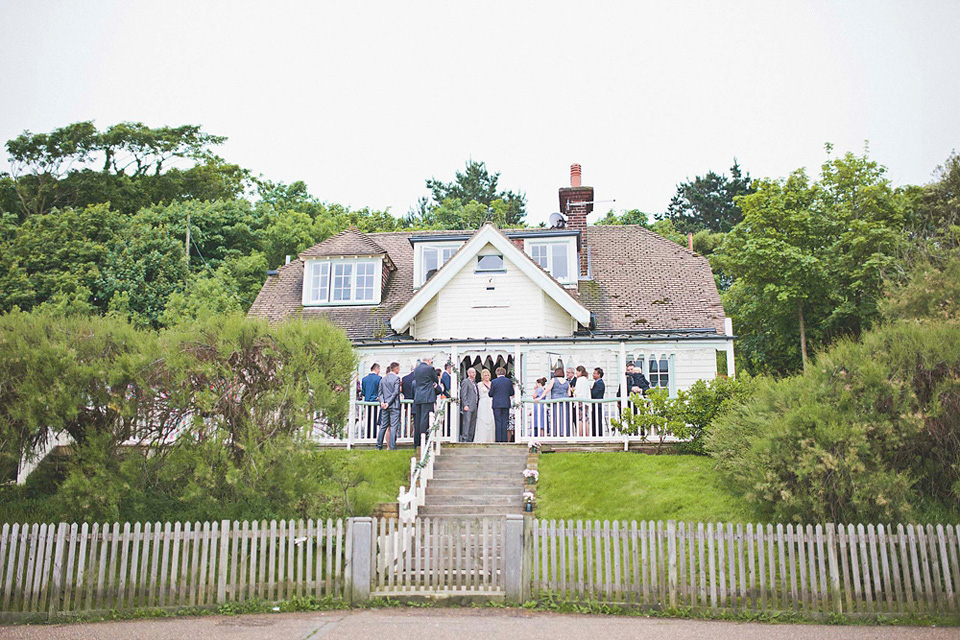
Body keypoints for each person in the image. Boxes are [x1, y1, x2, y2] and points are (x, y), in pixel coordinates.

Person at [413, 356, 438, 449]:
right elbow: (436, 379)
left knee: (418, 419)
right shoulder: (430, 369)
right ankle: (424, 439)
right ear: (429, 361)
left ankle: (417, 442)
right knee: (425, 419)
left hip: (418, 396)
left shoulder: (416, 369)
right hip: (427, 396)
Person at [376, 362, 401, 450]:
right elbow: (395, 392)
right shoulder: (396, 379)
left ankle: (378, 446)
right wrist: (388, 403)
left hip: (384, 406)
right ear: (396, 369)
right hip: (394, 406)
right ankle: (392, 446)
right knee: (393, 427)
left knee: (383, 426)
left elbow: (380, 393)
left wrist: (382, 402)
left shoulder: (383, 379)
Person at [489, 367, 515, 443]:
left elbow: (490, 394)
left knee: (498, 422)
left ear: (497, 373)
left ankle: (498, 440)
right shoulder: (508, 381)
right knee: (504, 422)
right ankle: (504, 440)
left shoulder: (494, 381)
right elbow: (512, 393)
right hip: (506, 404)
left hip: (497, 404)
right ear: (505, 373)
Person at [543, 367, 571, 436]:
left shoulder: (553, 380)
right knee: (565, 418)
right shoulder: (566, 382)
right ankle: (565, 433)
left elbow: (548, 389)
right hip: (565, 401)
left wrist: (541, 397)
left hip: (556, 401)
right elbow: (569, 394)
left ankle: (556, 433)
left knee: (556, 417)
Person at [360, 364, 381, 438]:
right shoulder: (379, 379)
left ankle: (368, 435)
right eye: (379, 369)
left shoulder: (364, 379)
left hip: (367, 402)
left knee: (368, 420)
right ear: (376, 369)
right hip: (375, 402)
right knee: (375, 420)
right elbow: (380, 391)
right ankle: (374, 435)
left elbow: (363, 392)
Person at [474, 369, 495, 442]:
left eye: (488, 375)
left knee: (491, 418)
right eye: (485, 375)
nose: (487, 377)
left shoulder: (492, 383)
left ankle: (491, 438)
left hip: (491, 401)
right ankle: (481, 438)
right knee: (482, 418)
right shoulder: (479, 384)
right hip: (483, 402)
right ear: (482, 376)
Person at [459, 367, 479, 442]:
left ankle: (470, 439)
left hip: (475, 405)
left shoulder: (475, 383)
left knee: (472, 423)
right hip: (468, 406)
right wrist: (465, 405)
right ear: (468, 373)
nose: (474, 374)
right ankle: (465, 439)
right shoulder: (465, 381)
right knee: (467, 422)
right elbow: (463, 394)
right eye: (472, 372)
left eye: (474, 372)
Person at [573, 365, 591, 437]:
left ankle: (581, 435)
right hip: (586, 401)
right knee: (585, 419)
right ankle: (586, 434)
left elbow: (578, 391)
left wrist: (573, 391)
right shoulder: (586, 380)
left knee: (580, 419)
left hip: (580, 401)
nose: (576, 374)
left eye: (577, 372)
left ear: (580, 372)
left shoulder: (579, 380)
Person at [401, 365, 416, 441]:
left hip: (407, 402)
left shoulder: (404, 379)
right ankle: (414, 435)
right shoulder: (418, 379)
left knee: (409, 419)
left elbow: (402, 390)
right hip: (416, 401)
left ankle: (408, 434)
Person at [590, 367, 606, 437]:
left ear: (599, 375)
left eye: (594, 373)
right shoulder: (597, 383)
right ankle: (595, 434)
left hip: (597, 405)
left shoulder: (600, 383)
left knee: (597, 421)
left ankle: (598, 435)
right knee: (594, 420)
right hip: (595, 405)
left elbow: (594, 393)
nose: (593, 375)